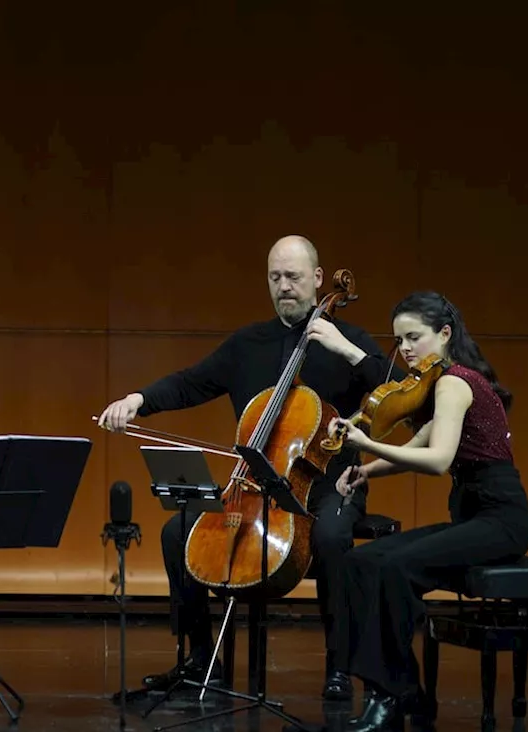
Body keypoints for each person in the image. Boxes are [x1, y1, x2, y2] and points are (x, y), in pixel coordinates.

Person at [97, 235, 390, 700]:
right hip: (253, 484)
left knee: (333, 538)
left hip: (330, 483)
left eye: (293, 277)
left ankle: (339, 666)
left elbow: (392, 392)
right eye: (275, 278)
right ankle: (198, 658)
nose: (283, 287)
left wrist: (346, 350)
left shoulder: (348, 340)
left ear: (317, 280)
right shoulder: (249, 343)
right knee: (178, 533)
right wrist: (138, 400)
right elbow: (192, 383)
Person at [327, 291, 528, 731]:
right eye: (399, 340)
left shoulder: (456, 382)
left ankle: (395, 697)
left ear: (444, 334)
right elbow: (412, 448)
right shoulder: (445, 382)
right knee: (362, 560)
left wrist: (363, 444)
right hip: (475, 516)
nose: (405, 350)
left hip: (501, 520)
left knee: (395, 567)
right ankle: (400, 693)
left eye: (414, 338)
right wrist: (366, 472)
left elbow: (438, 460)